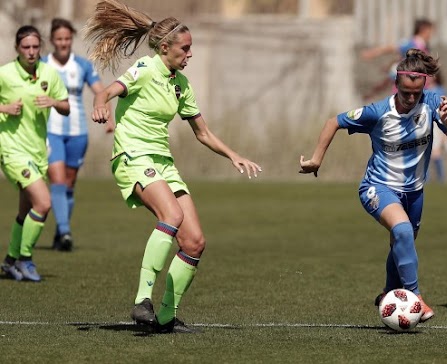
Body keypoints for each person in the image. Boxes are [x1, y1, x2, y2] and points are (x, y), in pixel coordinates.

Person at [84, 0, 262, 333]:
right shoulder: (145, 68)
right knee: (172, 217)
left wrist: (233, 154)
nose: (190, 54)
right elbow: (107, 91)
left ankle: (166, 317)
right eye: (186, 48)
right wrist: (99, 106)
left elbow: (203, 132)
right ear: (165, 47)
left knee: (194, 241)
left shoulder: (181, 84)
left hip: (163, 162)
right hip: (133, 155)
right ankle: (142, 301)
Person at [300, 49, 447, 323]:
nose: (411, 99)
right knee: (402, 231)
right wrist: (316, 159)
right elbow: (334, 122)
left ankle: (389, 292)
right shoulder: (377, 112)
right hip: (377, 187)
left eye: (416, 92)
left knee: (402, 242)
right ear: (396, 86)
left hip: (414, 192)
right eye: (405, 93)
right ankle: (416, 298)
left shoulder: (434, 103)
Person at [0, 26, 70, 281]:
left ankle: (9, 261)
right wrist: (4, 107)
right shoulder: (5, 74)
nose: (31, 52)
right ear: (17, 49)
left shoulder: (48, 74)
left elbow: (66, 107)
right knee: (43, 202)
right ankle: (25, 259)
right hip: (11, 150)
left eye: (35, 47)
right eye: (25, 47)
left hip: (38, 151)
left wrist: (53, 102)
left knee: (25, 211)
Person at [42, 18, 115, 252]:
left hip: (78, 132)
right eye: (59, 39)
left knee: (70, 183)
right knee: (58, 179)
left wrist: (108, 116)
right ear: (52, 40)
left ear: (71, 39)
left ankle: (59, 233)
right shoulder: (43, 65)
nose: (63, 43)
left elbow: (100, 91)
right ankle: (65, 232)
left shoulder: (83, 66)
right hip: (50, 131)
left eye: (67, 39)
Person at [361, 19, 435, 100]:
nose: (431, 34)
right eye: (430, 30)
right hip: (407, 93)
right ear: (423, 29)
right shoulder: (413, 43)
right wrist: (371, 53)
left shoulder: (424, 46)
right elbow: (391, 48)